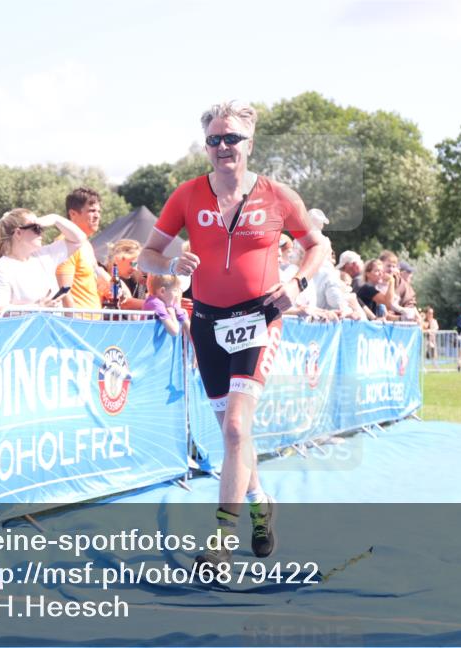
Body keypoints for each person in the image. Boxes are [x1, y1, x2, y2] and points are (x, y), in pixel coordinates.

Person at [137, 100, 327, 570]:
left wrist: (297, 284)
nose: (223, 147)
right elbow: (146, 256)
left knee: (239, 427)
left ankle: (220, 540)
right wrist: (169, 264)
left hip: (260, 316)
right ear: (206, 148)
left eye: (232, 139)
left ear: (249, 144)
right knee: (231, 434)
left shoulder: (278, 195)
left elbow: (317, 245)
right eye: (215, 140)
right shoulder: (186, 195)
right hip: (206, 321)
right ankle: (261, 503)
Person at [0, 209, 87, 318]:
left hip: (51, 331)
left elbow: (79, 240)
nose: (41, 232)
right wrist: (38, 308)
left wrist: (56, 219)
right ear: (18, 233)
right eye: (36, 228)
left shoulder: (45, 256)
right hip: (23, 333)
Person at [56, 187, 110, 315]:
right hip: (77, 324)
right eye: (91, 211)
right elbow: (64, 291)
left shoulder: (86, 245)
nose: (97, 216)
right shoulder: (65, 244)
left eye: (98, 211)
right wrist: (73, 323)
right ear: (73, 214)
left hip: (92, 322)